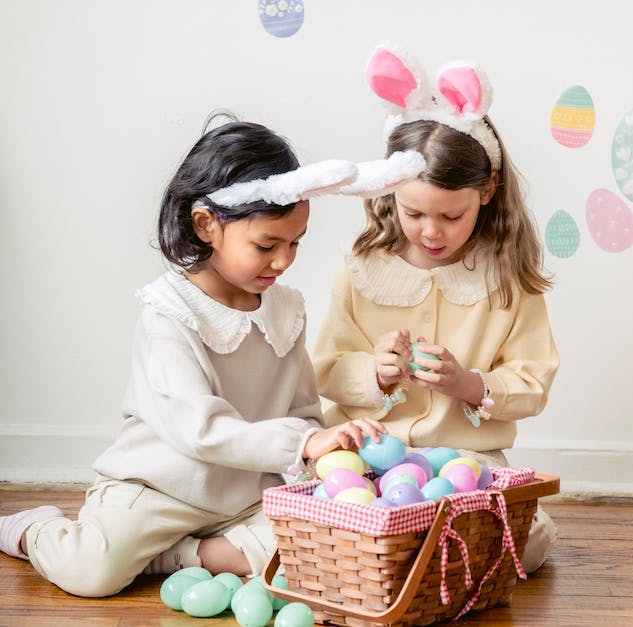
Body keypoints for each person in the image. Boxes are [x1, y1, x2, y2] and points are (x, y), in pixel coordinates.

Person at [0, 114, 387, 597]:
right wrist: (300, 445)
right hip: (160, 490)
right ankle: (35, 529)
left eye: (294, 244)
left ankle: (176, 556)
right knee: (89, 572)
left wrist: (324, 443)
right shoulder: (168, 314)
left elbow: (302, 408)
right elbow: (197, 430)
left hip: (249, 494)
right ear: (206, 225)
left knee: (325, 543)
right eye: (267, 245)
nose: (284, 261)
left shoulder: (286, 309)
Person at [312, 43, 560, 573]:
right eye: (413, 212)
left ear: (488, 190)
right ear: (388, 193)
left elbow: (533, 379)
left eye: (451, 215)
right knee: (336, 515)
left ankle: (418, 568)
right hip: (369, 456)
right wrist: (375, 376)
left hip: (466, 463)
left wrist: (471, 385)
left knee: (529, 541)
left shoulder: (506, 276)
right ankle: (417, 566)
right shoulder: (360, 267)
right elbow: (326, 369)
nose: (431, 231)